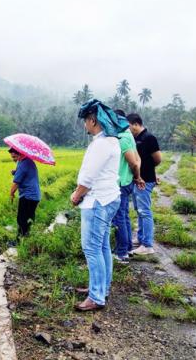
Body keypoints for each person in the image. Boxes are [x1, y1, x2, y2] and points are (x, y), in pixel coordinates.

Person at [71, 99, 122, 311]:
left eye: (86, 121)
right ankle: (101, 287)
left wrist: (76, 195)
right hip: (109, 198)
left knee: (91, 248)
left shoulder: (101, 144)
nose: (85, 125)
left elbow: (88, 178)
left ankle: (97, 296)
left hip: (97, 201)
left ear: (93, 120)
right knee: (101, 246)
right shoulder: (112, 141)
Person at [112, 110, 145, 264]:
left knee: (119, 217)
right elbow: (138, 159)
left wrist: (137, 176)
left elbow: (133, 162)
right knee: (124, 216)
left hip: (122, 182)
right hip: (127, 181)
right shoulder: (129, 135)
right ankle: (129, 247)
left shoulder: (123, 137)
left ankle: (121, 252)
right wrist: (136, 177)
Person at [127, 113, 161, 255]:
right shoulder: (136, 138)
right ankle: (141, 239)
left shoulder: (149, 138)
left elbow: (158, 159)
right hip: (138, 180)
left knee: (144, 211)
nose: (128, 130)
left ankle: (147, 245)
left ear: (136, 124)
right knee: (139, 211)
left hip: (145, 181)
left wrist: (149, 171)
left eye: (129, 126)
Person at [8, 148, 41, 239]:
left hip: (28, 196)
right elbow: (24, 172)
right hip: (35, 196)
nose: (13, 159)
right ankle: (27, 237)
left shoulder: (23, 165)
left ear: (20, 154)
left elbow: (16, 183)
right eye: (12, 157)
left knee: (21, 219)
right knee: (29, 217)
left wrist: (11, 193)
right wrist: (15, 172)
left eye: (14, 156)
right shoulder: (26, 161)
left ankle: (19, 240)